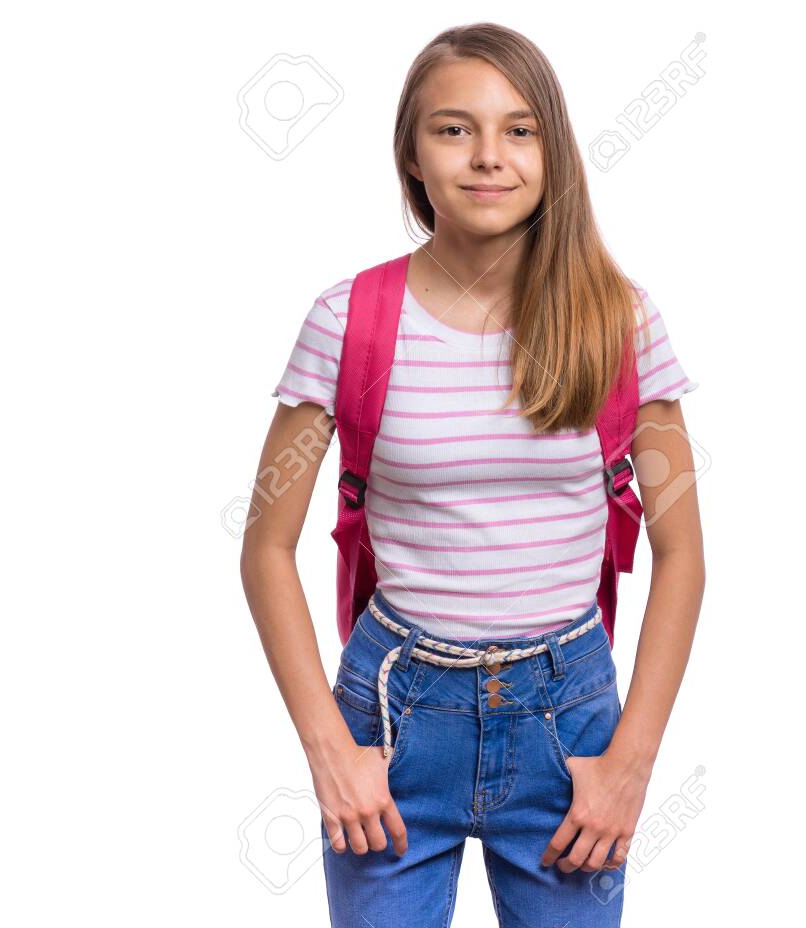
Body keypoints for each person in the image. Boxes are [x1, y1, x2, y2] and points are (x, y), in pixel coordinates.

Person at [241, 21, 706, 928]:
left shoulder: (621, 322)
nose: (489, 155)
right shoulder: (347, 321)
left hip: (569, 721)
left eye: (519, 130)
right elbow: (265, 547)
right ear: (412, 156)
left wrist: (631, 762)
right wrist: (329, 750)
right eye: (454, 129)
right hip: (393, 717)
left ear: (552, 151)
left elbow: (681, 551)